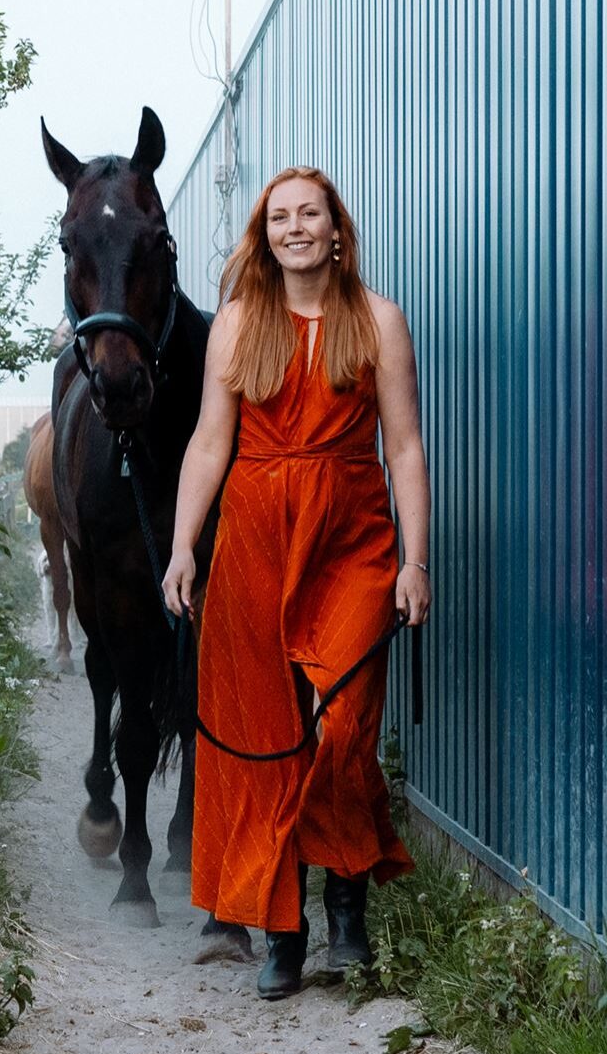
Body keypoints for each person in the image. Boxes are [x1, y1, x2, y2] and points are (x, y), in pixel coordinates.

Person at [162, 166, 431, 999]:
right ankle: (286, 927)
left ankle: (346, 903)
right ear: (263, 234)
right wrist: (182, 548)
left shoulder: (378, 319)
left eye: (308, 213)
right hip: (251, 540)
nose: (294, 227)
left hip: (350, 538)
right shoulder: (239, 322)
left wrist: (414, 560)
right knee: (263, 736)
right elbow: (210, 442)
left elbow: (405, 449)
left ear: (334, 227)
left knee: (342, 720)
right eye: (278, 216)